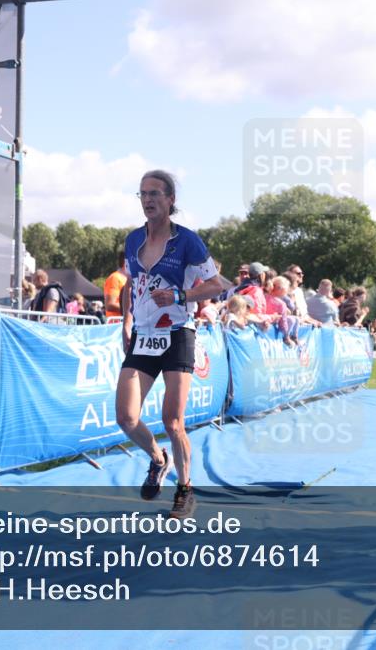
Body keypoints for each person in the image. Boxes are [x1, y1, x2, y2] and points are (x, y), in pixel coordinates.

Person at [116, 169, 223, 519]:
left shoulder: (188, 241)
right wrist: (126, 322)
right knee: (126, 417)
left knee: (173, 422)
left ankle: (185, 490)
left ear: (170, 199)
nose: (147, 200)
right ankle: (158, 459)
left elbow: (216, 286)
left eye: (154, 194)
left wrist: (180, 295)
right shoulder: (134, 239)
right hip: (143, 336)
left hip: (178, 333)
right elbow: (129, 285)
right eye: (143, 194)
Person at [103, 249, 128, 319]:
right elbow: (109, 305)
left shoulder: (129, 279)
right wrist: (131, 309)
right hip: (116, 323)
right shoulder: (115, 278)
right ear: (126, 261)